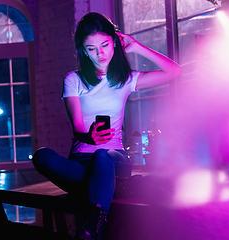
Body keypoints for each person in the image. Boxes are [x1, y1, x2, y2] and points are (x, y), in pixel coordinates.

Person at [32, 12, 181, 240]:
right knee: (42, 156)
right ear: (83, 50)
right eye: (91, 48)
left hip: (113, 159)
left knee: (103, 154)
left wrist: (137, 46)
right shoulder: (73, 80)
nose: (100, 54)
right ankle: (106, 192)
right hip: (80, 164)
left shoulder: (126, 80)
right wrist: (89, 137)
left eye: (104, 45)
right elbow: (78, 128)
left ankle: (94, 224)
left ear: (114, 43)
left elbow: (174, 71)